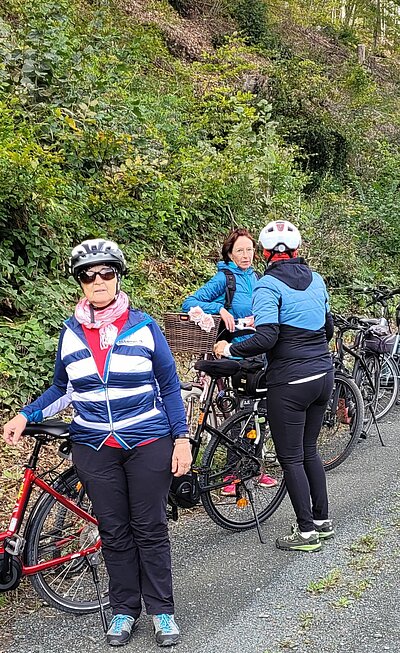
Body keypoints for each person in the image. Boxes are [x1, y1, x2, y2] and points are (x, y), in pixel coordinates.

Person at [2, 239, 192, 647]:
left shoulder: (144, 327)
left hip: (147, 439)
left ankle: (162, 610)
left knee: (150, 527)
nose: (99, 280)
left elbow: (170, 386)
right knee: (113, 529)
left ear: (118, 277)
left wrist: (182, 438)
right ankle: (124, 609)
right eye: (89, 275)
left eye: (107, 272)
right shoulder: (70, 334)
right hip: (93, 445)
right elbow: (61, 388)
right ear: (81, 284)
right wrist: (26, 414)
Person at [214, 220, 335, 552]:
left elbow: (267, 337)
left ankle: (306, 532)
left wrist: (230, 348)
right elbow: (328, 330)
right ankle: (322, 522)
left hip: (291, 381)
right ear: (297, 250)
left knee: (291, 457)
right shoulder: (318, 281)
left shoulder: (267, 285)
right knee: (309, 450)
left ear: (266, 253)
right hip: (323, 376)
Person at [182, 227, 277, 493]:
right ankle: (231, 477)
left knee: (258, 413)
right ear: (230, 253)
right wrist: (219, 308)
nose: (246, 255)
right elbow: (189, 302)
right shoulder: (225, 278)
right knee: (240, 411)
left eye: (249, 250)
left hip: (258, 350)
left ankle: (253, 468)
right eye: (240, 251)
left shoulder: (258, 278)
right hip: (234, 352)